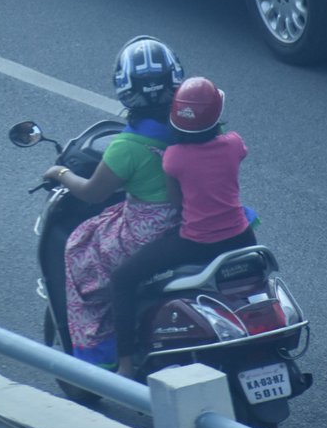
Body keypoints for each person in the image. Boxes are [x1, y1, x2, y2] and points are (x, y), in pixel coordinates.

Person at [41, 36, 185, 370]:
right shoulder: (196, 126)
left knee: (80, 250)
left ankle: (105, 356)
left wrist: (61, 173)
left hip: (148, 231)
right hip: (193, 219)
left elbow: (93, 194)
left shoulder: (127, 147)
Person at [109, 76, 256, 378]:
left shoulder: (174, 158)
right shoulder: (234, 144)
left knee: (122, 279)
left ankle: (124, 364)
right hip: (241, 237)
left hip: (195, 242)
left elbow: (177, 206)